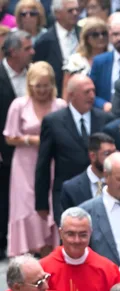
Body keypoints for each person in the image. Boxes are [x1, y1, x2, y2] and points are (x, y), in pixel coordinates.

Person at [34, 74, 112, 223]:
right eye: (86, 92)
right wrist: (41, 203)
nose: (92, 96)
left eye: (93, 91)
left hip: (99, 191)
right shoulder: (53, 121)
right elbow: (43, 163)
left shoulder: (105, 119)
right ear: (71, 95)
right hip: (66, 194)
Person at [5, 61, 63, 256]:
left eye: (46, 85)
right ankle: (28, 249)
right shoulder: (19, 105)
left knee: (49, 201)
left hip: (52, 162)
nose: (42, 90)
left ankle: (49, 248)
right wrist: (33, 140)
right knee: (27, 205)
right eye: (38, 86)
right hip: (25, 163)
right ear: (30, 85)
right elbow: (9, 137)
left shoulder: (60, 105)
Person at [40, 207, 120, 291]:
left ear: (90, 233)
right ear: (60, 233)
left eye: (83, 235)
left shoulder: (108, 269)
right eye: (70, 234)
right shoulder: (42, 269)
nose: (76, 240)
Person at [0, 30, 32, 257]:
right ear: (13, 52)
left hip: (30, 150)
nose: (33, 52)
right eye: (27, 48)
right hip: (4, 149)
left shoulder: (34, 74)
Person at [87, 12, 120, 110]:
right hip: (107, 113)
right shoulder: (100, 61)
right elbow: (90, 92)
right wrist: (103, 105)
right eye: (115, 34)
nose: (119, 38)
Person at [31, 0, 79, 96]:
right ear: (57, 14)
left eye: (76, 10)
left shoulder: (84, 34)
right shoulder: (44, 41)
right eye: (70, 10)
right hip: (54, 94)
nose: (75, 13)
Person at [58, 131, 113, 210]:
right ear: (93, 156)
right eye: (107, 154)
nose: (113, 157)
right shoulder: (71, 188)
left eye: (114, 153)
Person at [60, 15, 104, 86]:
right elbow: (66, 88)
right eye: (95, 35)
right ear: (86, 38)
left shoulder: (113, 58)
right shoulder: (75, 60)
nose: (101, 37)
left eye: (104, 33)